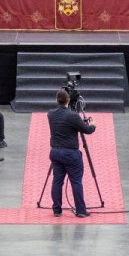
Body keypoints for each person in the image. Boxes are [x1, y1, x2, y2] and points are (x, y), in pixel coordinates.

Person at [46, 90, 95, 218]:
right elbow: (87, 130)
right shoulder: (72, 116)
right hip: (71, 153)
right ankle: (80, 210)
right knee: (76, 181)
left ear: (57, 100)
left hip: (55, 152)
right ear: (68, 101)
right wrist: (93, 125)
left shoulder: (50, 114)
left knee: (57, 181)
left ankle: (57, 209)